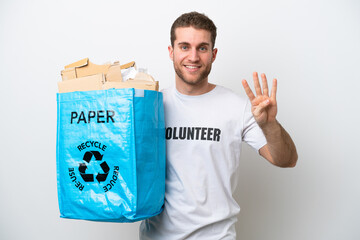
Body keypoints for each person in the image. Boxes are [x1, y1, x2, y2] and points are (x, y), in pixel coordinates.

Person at [139, 11, 298, 240]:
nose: (193, 57)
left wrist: (270, 124)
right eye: (184, 46)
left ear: (213, 54)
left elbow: (287, 160)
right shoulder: (150, 106)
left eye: (202, 48)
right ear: (171, 52)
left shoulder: (237, 107)